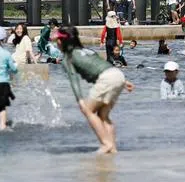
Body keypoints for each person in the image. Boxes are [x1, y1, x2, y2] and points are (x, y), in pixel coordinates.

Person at [50, 26, 133, 154]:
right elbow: (100, 65)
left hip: (106, 79)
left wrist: (80, 100)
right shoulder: (86, 51)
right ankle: (112, 148)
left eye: (57, 41)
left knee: (88, 110)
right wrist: (124, 82)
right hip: (117, 75)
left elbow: (74, 80)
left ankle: (106, 144)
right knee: (103, 115)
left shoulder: (68, 58)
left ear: (61, 42)